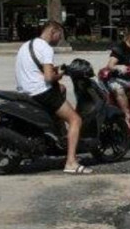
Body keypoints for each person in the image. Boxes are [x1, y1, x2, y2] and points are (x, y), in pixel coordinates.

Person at [15, 21, 90, 174]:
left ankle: (58, 132)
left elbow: (35, 70)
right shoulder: (46, 48)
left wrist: (55, 72)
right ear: (52, 32)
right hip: (41, 92)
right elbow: (49, 78)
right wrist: (60, 74)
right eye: (59, 35)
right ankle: (71, 163)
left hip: (25, 91)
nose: (60, 39)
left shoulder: (26, 45)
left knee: (61, 89)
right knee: (75, 120)